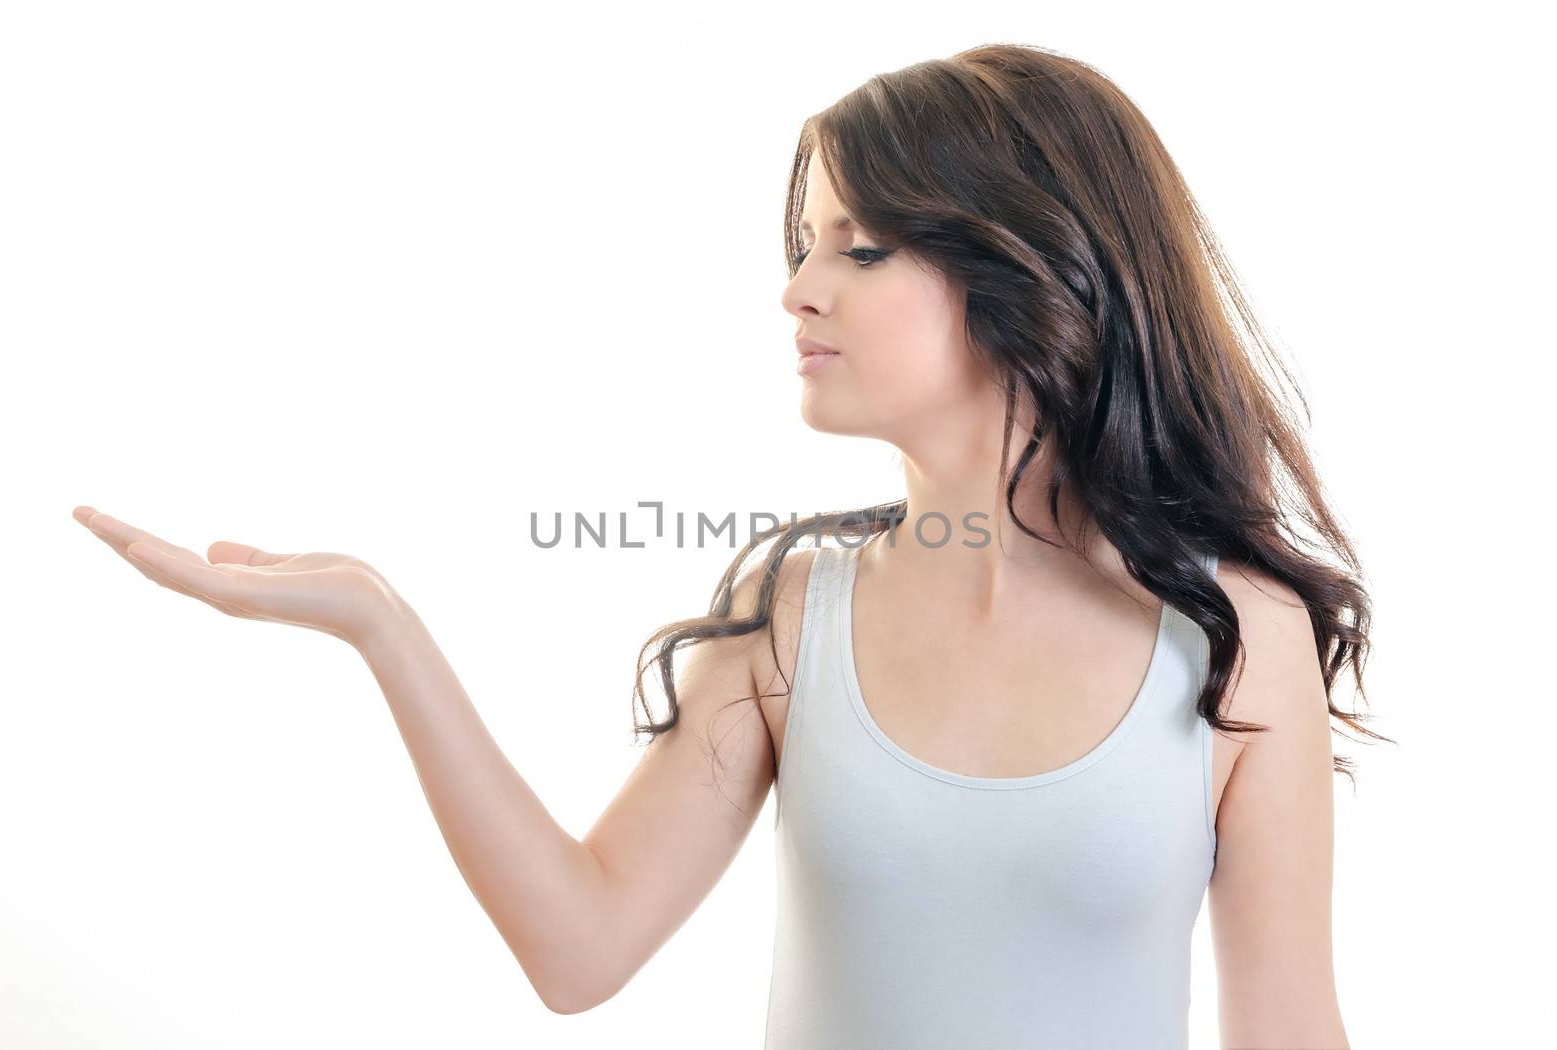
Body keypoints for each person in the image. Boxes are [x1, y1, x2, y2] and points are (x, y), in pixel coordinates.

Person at [75, 42, 1384, 1050]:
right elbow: (578, 947)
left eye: (858, 248)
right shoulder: (795, 614)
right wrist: (383, 624)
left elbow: (1288, 1030)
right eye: (805, 244)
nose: (798, 289)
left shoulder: (1231, 637)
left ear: (1028, 271)